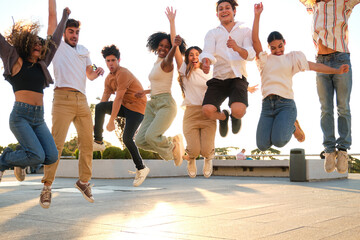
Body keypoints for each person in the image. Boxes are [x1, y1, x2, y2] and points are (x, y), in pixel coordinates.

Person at [252, 2, 349, 151]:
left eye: (280, 46)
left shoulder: (292, 58)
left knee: (279, 141)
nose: (277, 50)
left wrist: (336, 71)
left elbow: (314, 66)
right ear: (268, 47)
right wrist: (257, 15)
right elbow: (255, 41)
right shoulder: (264, 60)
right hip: (266, 106)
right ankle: (285, 124)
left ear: (284, 43)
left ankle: (292, 125)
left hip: (285, 105)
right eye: (273, 48)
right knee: (262, 145)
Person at [40, 0, 104, 209]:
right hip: (62, 100)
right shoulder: (56, 45)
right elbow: (52, 17)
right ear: (64, 32)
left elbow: (90, 73)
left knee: (87, 143)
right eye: (70, 31)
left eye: (76, 32)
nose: (74, 35)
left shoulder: (84, 50)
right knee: (55, 145)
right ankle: (47, 187)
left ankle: (83, 182)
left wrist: (97, 71)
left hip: (82, 101)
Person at [0, 5, 70, 183]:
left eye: (40, 43)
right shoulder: (15, 60)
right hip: (20, 117)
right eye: (35, 43)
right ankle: (5, 158)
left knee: (52, 156)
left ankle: (18, 156)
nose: (38, 45)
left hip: (39, 119)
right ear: (26, 45)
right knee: (37, 156)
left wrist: (64, 17)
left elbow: (55, 40)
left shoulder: (43, 64)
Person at [299, 0, 359, 174]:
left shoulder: (344, 3)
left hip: (341, 59)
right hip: (321, 62)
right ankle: (329, 150)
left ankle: (343, 150)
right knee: (325, 108)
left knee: (343, 107)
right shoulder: (313, 4)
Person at [166, 7, 216, 178]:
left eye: (197, 54)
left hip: (209, 113)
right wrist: (172, 22)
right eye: (191, 55)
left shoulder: (211, 71)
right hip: (191, 113)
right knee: (193, 150)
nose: (194, 57)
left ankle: (209, 158)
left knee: (206, 149)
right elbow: (176, 46)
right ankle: (191, 159)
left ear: (202, 57)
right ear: (187, 58)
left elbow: (227, 81)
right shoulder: (184, 72)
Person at [93, 44, 149, 187]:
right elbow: (105, 98)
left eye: (113, 60)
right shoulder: (108, 78)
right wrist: (98, 121)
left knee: (127, 138)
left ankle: (142, 168)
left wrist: (111, 121)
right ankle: (98, 141)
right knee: (99, 107)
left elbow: (118, 98)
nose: (110, 64)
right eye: (108, 61)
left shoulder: (123, 73)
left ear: (119, 60)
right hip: (125, 106)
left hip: (136, 108)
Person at [200, 0, 256, 138]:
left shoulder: (245, 31)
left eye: (227, 8)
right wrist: (206, 63)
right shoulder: (212, 33)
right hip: (219, 77)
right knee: (207, 111)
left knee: (239, 111)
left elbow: (250, 55)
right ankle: (223, 117)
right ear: (217, 14)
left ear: (234, 11)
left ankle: (235, 117)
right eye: (220, 9)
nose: (224, 11)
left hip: (237, 77)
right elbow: (207, 52)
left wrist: (236, 47)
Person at [134, 28, 186, 166]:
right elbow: (158, 85)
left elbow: (169, 57)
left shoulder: (167, 63)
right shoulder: (156, 63)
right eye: (161, 45)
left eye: (167, 47)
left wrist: (174, 46)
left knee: (151, 136)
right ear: (156, 46)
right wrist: (145, 92)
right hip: (152, 104)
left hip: (165, 104)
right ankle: (172, 144)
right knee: (140, 140)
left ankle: (173, 148)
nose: (163, 48)